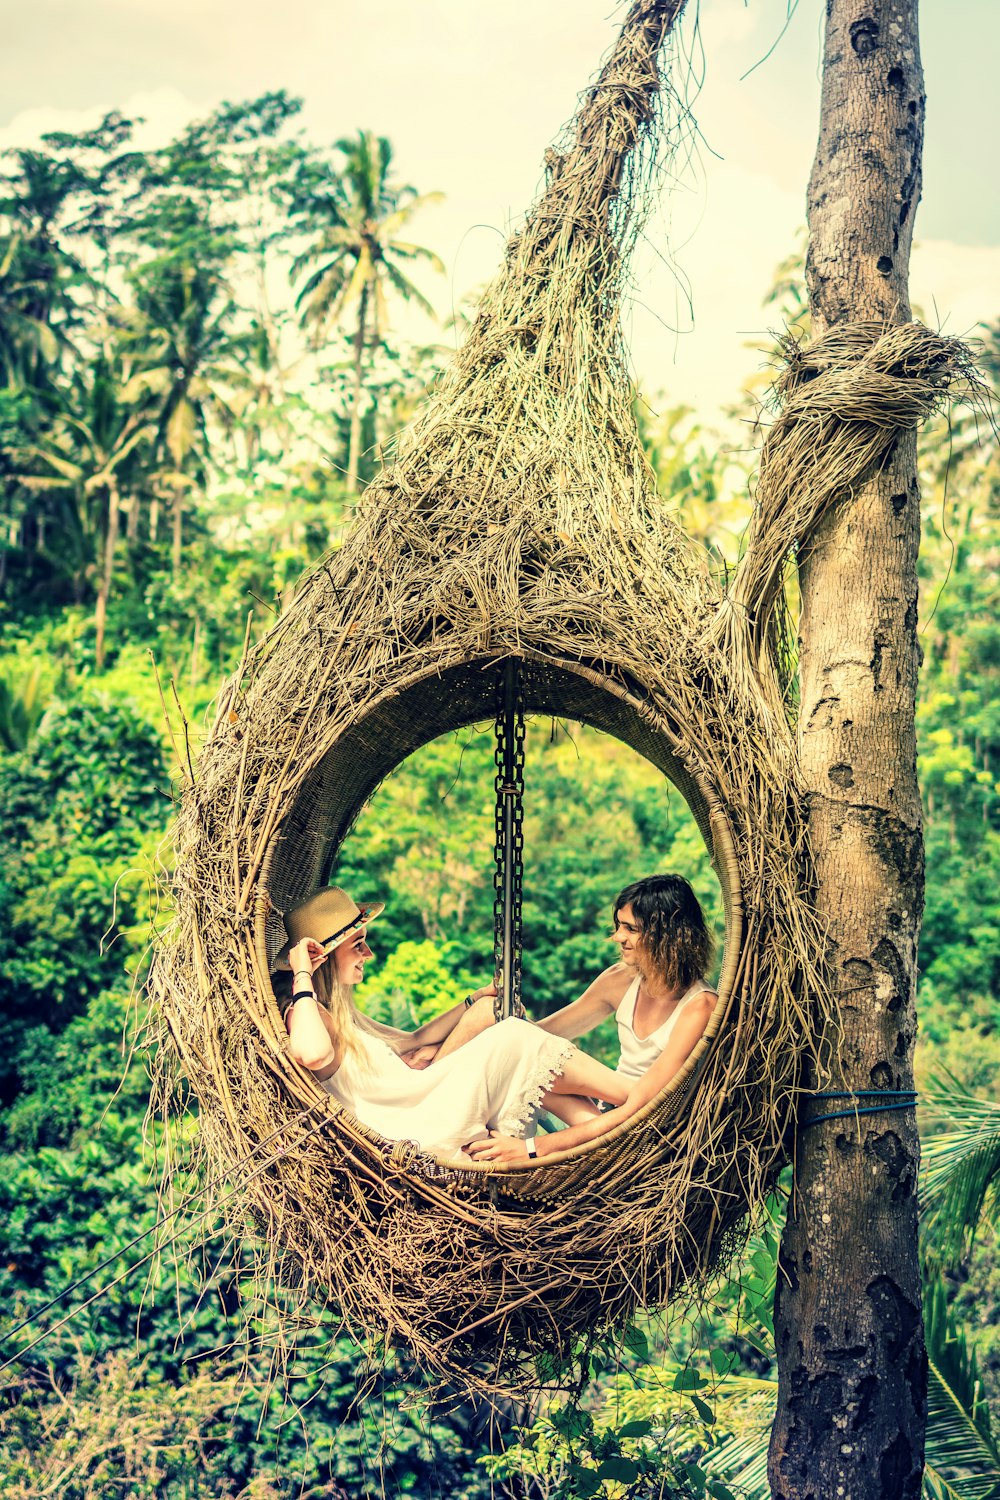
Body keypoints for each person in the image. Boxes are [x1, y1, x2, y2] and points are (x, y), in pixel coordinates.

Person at [276, 886, 630, 1165]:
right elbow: (312, 1053)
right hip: (420, 1126)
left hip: (428, 1105)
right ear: (321, 955)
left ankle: (610, 1129)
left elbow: (413, 1038)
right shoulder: (306, 1012)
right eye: (358, 945)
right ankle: (636, 1100)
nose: (368, 954)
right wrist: (302, 975)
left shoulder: (343, 1015)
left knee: (509, 1037)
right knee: (517, 1040)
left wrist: (472, 1000)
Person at [464, 873, 717, 1166]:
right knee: (516, 1056)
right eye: (619, 926)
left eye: (630, 929)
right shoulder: (620, 980)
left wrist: (534, 1148)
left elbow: (645, 1104)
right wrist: (492, 1019)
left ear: (668, 936)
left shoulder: (699, 1006)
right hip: (603, 1114)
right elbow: (542, 1036)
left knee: (521, 1047)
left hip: (643, 1127)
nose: (618, 937)